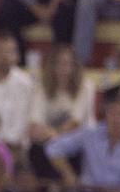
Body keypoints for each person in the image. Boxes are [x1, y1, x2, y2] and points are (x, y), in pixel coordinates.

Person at [28, 44, 95, 179]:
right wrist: (51, 135)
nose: (63, 69)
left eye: (67, 64)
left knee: (59, 149)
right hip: (48, 140)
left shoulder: (85, 86)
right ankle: (50, 189)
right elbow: (35, 125)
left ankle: (66, 187)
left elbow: (75, 122)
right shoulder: (41, 86)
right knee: (37, 150)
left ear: (74, 66)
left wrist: (53, 134)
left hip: (77, 140)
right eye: (58, 64)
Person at [0, 0, 76, 62]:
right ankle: (17, 63)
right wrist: (35, 7)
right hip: (25, 1)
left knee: (68, 12)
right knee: (6, 12)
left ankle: (61, 62)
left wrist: (52, 6)